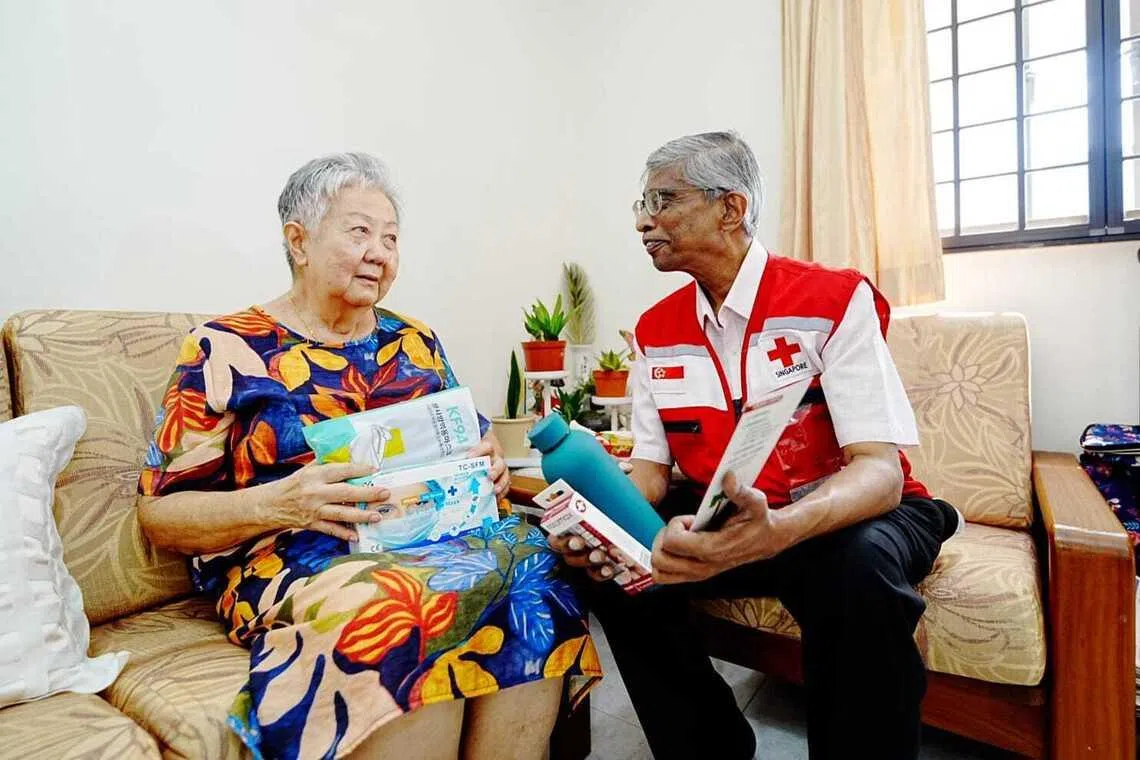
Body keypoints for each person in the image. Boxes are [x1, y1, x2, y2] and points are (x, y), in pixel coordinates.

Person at [137, 153, 600, 760]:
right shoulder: (224, 348)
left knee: (536, 562)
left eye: (391, 238)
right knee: (405, 600)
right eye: (360, 232)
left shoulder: (414, 340)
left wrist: (487, 463)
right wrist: (280, 503)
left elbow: (471, 439)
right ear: (298, 241)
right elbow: (160, 514)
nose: (380, 253)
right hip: (294, 555)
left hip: (430, 536)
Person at [549, 132, 962, 760]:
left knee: (857, 571)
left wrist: (782, 529)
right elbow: (651, 474)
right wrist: (600, 525)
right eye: (642, 204)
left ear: (731, 208)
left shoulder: (833, 299)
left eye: (663, 200)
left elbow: (879, 472)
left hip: (851, 515)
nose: (642, 221)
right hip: (729, 521)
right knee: (614, 573)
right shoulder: (656, 331)